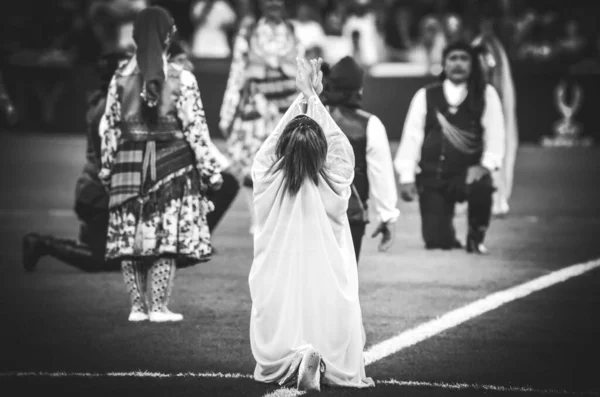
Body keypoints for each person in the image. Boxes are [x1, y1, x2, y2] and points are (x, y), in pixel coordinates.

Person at [249, 57, 374, 391]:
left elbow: (276, 140)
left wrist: (302, 99)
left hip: (281, 262)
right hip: (325, 262)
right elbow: (339, 146)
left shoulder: (268, 178)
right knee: (328, 306)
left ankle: (294, 358)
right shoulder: (334, 179)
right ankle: (324, 363)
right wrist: (314, 99)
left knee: (285, 308)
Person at [99, 7, 223, 322]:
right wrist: (211, 170)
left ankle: (137, 309)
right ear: (169, 36)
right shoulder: (183, 78)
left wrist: (106, 169)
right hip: (173, 164)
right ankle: (158, 307)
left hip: (128, 164)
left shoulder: (119, 78)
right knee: (165, 236)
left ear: (136, 36)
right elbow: (196, 130)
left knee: (131, 235)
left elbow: (110, 128)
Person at [22, 52, 130, 273]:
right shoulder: (108, 109)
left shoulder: (111, 101)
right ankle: (43, 244)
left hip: (97, 193)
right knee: (99, 260)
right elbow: (113, 160)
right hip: (100, 197)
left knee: (131, 255)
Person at [393, 41, 505, 254]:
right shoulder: (425, 95)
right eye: (453, 59)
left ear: (473, 64)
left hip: (469, 174)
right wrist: (407, 177)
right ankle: (447, 235)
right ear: (444, 63)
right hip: (433, 175)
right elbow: (412, 136)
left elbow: (496, 134)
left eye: (464, 59)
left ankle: (476, 235)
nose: (458, 64)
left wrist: (485, 167)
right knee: (437, 242)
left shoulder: (486, 93)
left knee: (482, 185)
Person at [219, 0, 302, 234]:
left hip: (286, 110)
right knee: (250, 167)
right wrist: (227, 113)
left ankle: (279, 219)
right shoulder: (248, 33)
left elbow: (301, 71)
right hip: (256, 107)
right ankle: (257, 220)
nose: (274, 4)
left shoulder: (293, 32)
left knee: (285, 165)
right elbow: (237, 73)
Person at [320, 56, 399, 261]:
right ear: (358, 90)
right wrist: (387, 215)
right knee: (344, 283)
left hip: (307, 214)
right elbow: (380, 174)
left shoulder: (305, 116)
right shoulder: (370, 124)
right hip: (350, 215)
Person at [472, 18, 518, 217]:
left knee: (494, 152)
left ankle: (497, 199)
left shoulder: (489, 49)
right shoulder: (483, 47)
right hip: (480, 107)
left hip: (490, 107)